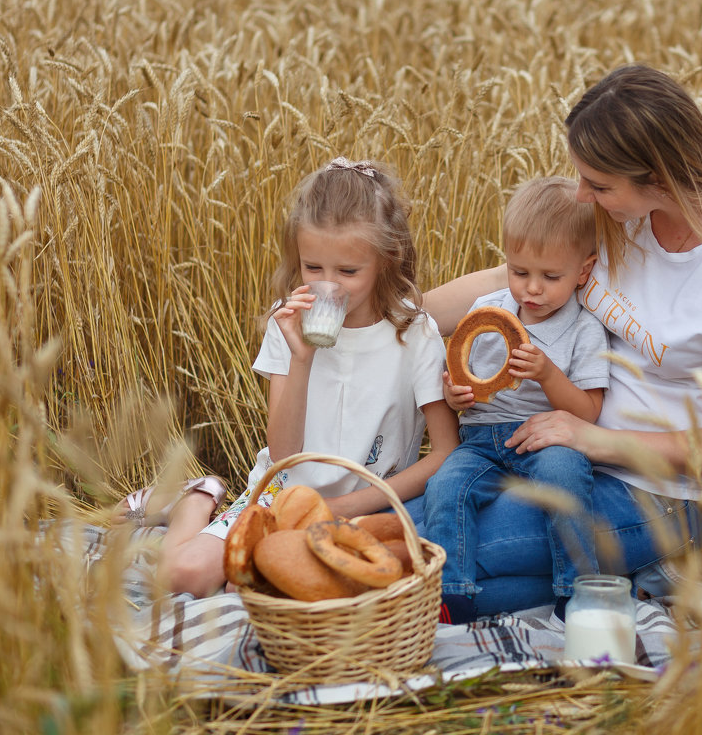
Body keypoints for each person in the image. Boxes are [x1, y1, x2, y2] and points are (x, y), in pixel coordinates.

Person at [423, 65, 702, 616]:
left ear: (660, 179)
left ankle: (651, 566)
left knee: (439, 555)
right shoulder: (622, 211)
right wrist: (394, 316)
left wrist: (599, 441)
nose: (582, 196)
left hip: (664, 490)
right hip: (557, 449)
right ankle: (625, 580)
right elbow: (514, 282)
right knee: (422, 523)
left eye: (597, 185)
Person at [124, 156, 459, 598]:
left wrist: (342, 507)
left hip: (364, 508)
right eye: (312, 267)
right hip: (281, 496)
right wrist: (301, 359)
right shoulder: (288, 325)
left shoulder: (413, 333)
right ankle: (198, 499)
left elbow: (444, 452)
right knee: (180, 576)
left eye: (348, 271)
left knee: (273, 589)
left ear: (387, 258)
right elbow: (284, 454)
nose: (328, 286)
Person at [422, 177, 610, 624]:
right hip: (481, 438)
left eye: (551, 277)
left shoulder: (584, 328)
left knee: (566, 479)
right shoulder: (487, 310)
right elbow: (458, 385)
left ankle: (578, 591)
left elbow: (588, 411)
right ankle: (453, 596)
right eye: (520, 272)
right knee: (444, 487)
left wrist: (547, 374)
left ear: (584, 271)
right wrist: (453, 394)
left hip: (546, 438)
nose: (532, 289)